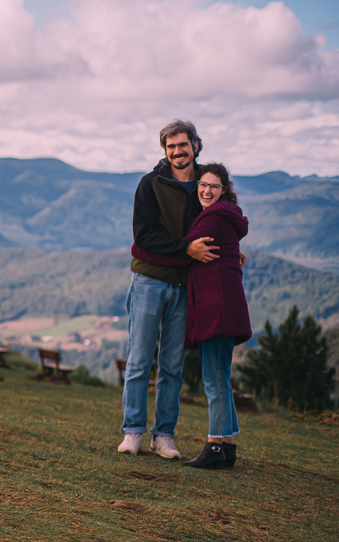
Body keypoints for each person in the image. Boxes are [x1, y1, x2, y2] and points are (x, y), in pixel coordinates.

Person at [131, 164, 251, 469]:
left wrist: (140, 248)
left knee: (214, 379)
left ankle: (214, 445)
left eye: (214, 186)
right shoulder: (225, 216)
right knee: (220, 376)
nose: (206, 190)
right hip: (224, 306)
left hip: (217, 309)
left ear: (225, 189)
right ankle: (227, 446)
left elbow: (183, 251)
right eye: (203, 185)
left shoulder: (211, 217)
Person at [119, 120, 220, 459]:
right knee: (139, 361)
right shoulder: (150, 185)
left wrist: (233, 250)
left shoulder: (206, 184)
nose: (178, 151)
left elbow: (223, 217)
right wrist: (186, 248)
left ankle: (163, 435)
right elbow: (143, 236)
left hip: (184, 285)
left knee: (173, 366)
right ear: (165, 150)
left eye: (183, 145)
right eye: (171, 146)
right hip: (149, 280)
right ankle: (132, 431)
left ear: (195, 146)